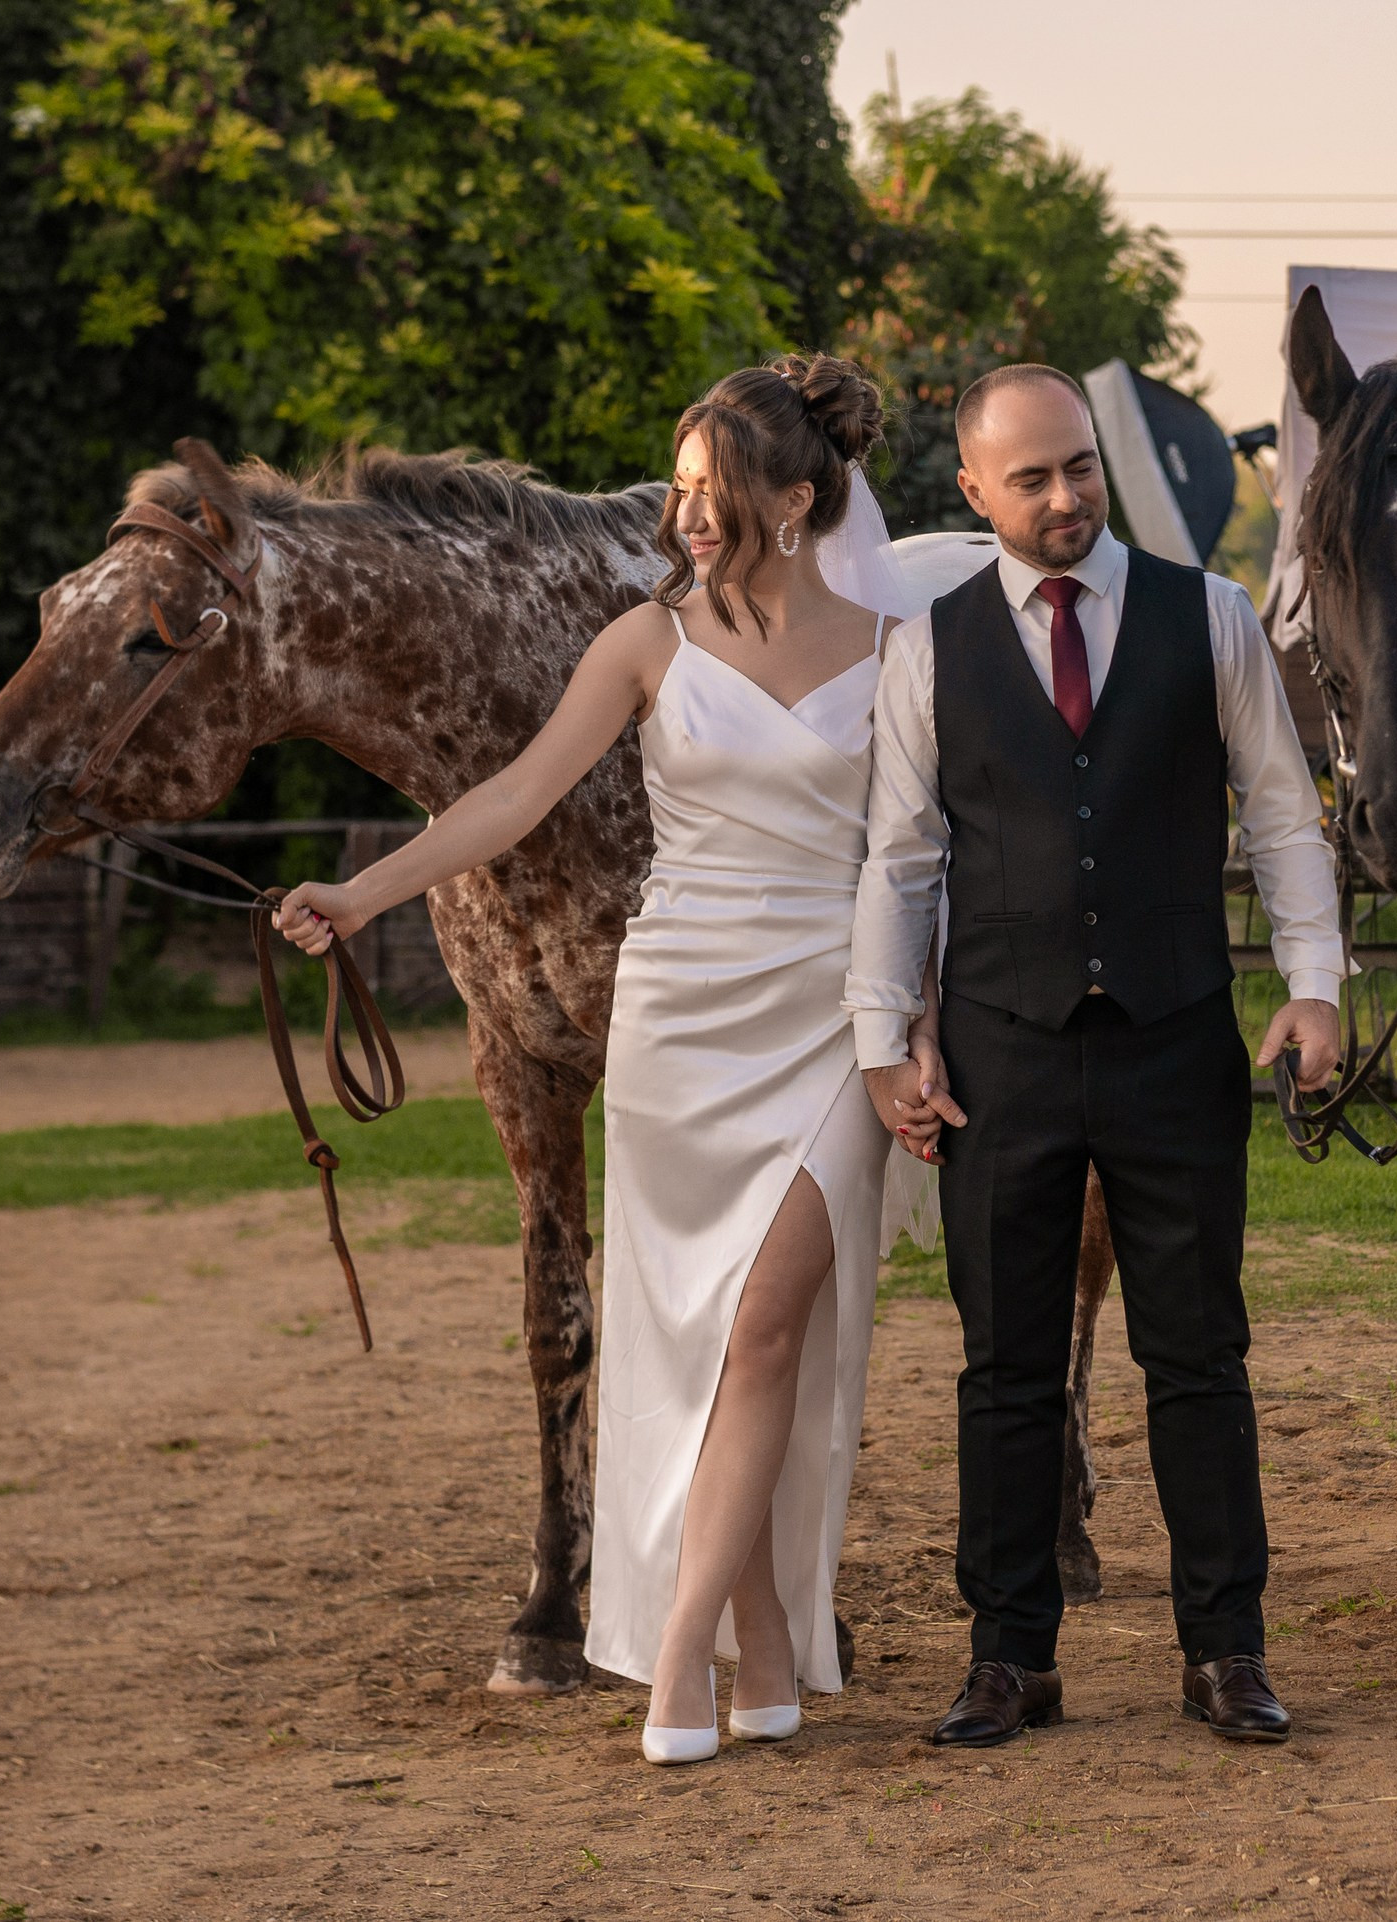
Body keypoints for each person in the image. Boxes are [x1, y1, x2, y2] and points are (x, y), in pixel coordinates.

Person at [275, 355, 937, 1767]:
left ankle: (675, 1655)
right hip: (679, 1018)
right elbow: (512, 793)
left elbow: (914, 860)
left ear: (801, 498)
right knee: (702, 1350)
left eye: (718, 491)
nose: (689, 515)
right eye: (683, 488)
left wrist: (912, 1024)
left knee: (763, 1330)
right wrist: (362, 896)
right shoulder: (645, 643)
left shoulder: (896, 653)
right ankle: (764, 1647)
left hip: (829, 1022)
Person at [845, 364, 1347, 1747]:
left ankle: (1225, 1647)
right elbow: (902, 853)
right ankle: (1010, 1653)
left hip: (1178, 1038)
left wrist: (1313, 987)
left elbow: (1287, 818)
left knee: (1197, 1354)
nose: (1065, 497)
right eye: (1031, 479)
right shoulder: (928, 647)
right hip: (1001, 1051)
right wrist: (886, 1038)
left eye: (1079, 468)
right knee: (1004, 1364)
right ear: (974, 492)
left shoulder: (1214, 615)